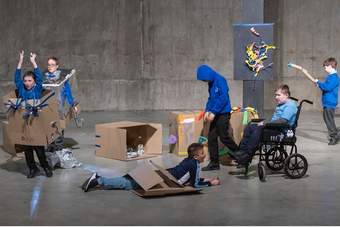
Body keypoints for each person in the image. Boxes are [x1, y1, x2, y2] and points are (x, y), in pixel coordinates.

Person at [82, 143, 220, 192]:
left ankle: (101, 180)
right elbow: (194, 184)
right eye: (202, 153)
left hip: (165, 174)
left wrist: (204, 179)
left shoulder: (189, 160)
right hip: (165, 180)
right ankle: (99, 180)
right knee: (130, 184)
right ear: (196, 157)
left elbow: (189, 177)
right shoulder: (195, 165)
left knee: (132, 179)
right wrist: (210, 183)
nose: (204, 155)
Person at [229, 84, 298, 164]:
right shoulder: (281, 104)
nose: (276, 97)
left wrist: (265, 124)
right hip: (275, 128)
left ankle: (247, 155)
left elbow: (283, 121)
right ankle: (241, 152)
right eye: (275, 95)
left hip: (281, 131)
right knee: (251, 125)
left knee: (258, 129)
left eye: (278, 95)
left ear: (286, 95)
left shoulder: (290, 106)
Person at [14, 50, 53, 178]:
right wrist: (20, 61)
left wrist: (33, 62)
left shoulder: (37, 88)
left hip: (35, 120)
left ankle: (46, 167)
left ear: (34, 82)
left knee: (38, 148)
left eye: (29, 80)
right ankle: (32, 169)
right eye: (25, 80)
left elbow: (39, 77)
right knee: (27, 148)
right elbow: (16, 77)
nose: (27, 83)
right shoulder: (21, 88)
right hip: (24, 121)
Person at [196, 64, 239, 171]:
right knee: (211, 137)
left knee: (223, 135)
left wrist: (213, 112)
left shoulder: (220, 80)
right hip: (215, 112)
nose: (205, 81)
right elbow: (211, 98)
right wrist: (207, 110)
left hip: (223, 113)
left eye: (205, 79)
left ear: (209, 75)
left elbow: (223, 98)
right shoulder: (211, 82)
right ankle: (214, 163)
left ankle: (241, 155)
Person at [313, 57, 340, 145]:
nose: (324, 68)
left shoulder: (334, 77)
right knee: (328, 119)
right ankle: (335, 133)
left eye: (325, 67)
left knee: (328, 120)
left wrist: (319, 82)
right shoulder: (331, 77)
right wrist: (319, 85)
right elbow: (326, 86)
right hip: (328, 102)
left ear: (330, 66)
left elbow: (327, 87)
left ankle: (334, 137)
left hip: (330, 102)